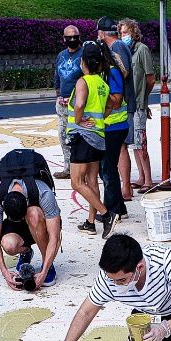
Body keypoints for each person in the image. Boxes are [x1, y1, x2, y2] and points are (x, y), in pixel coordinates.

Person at [66, 41, 116, 239]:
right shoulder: (102, 84)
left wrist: (79, 120)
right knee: (92, 180)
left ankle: (106, 214)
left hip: (82, 137)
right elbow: (112, 104)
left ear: (83, 61)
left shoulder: (83, 81)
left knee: (77, 182)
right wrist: (99, 119)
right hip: (98, 137)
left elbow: (79, 104)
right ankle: (90, 222)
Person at [0, 173, 61, 290]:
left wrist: (44, 272)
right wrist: (5, 272)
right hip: (21, 224)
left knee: (34, 213)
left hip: (42, 223)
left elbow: (55, 237)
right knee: (9, 245)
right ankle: (26, 251)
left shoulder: (44, 193)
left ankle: (47, 263)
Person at [96, 16, 136, 209]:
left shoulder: (117, 48)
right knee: (114, 156)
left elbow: (123, 72)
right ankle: (120, 198)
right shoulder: (115, 48)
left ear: (103, 34)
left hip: (119, 110)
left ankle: (125, 188)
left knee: (118, 152)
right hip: (117, 111)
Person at [94, 40, 130, 222]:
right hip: (108, 126)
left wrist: (97, 97)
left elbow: (116, 99)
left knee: (108, 169)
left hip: (115, 126)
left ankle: (112, 209)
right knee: (106, 169)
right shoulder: (101, 72)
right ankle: (119, 206)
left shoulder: (112, 71)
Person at [119, 19, 155, 190]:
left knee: (141, 142)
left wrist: (143, 99)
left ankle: (148, 179)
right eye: (121, 33)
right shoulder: (126, 51)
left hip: (138, 103)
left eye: (125, 32)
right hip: (129, 103)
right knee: (133, 142)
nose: (122, 36)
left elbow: (150, 79)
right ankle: (141, 177)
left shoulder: (142, 50)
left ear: (133, 32)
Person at [53, 25, 83, 180]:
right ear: (64, 39)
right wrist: (59, 95)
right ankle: (68, 167)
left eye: (75, 37)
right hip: (63, 104)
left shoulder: (84, 54)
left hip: (78, 104)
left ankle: (81, 169)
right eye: (69, 37)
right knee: (63, 135)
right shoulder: (61, 55)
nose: (72, 40)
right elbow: (57, 78)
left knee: (79, 136)